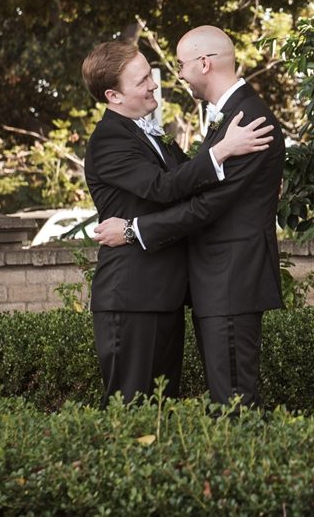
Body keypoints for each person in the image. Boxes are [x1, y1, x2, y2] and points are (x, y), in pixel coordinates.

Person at [94, 25, 285, 409]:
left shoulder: (244, 120)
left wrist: (133, 230)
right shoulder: (111, 139)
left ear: (204, 63)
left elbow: (205, 201)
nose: (164, 80)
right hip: (138, 294)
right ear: (113, 95)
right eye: (144, 79)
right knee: (135, 410)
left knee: (224, 404)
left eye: (171, 68)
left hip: (223, 278)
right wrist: (220, 153)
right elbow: (170, 188)